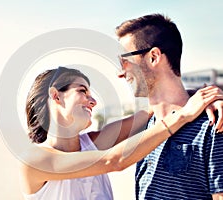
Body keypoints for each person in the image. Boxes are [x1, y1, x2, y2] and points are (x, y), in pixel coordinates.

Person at [20, 66, 223, 200]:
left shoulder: (93, 144)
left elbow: (157, 107)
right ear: (55, 95)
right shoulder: (34, 160)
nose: (93, 101)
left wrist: (207, 97)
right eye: (82, 91)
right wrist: (183, 115)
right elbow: (113, 161)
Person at [116, 13, 223, 199]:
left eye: (124, 61)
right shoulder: (148, 127)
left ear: (154, 56)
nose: (120, 72)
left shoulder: (214, 123)